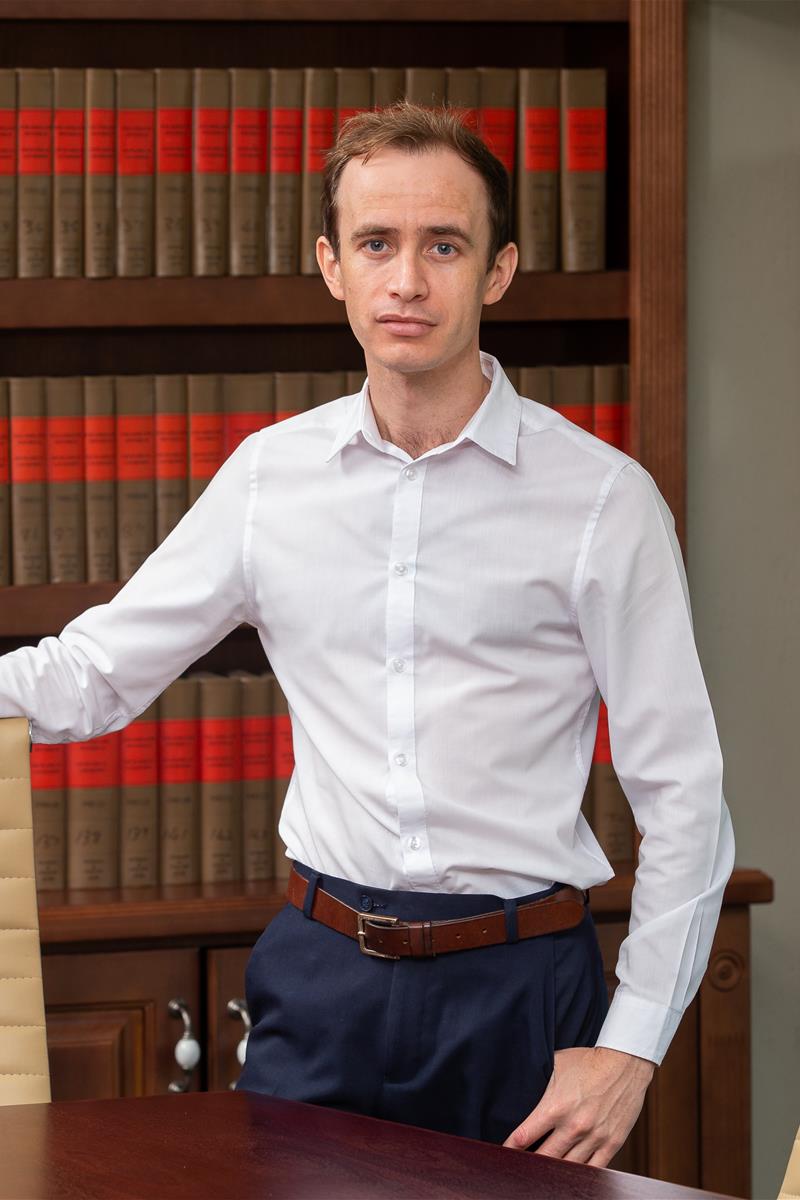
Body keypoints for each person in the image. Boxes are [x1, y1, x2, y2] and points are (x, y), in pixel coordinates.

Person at [0, 102, 735, 1165]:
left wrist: (630, 1046)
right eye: (377, 244)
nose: (407, 281)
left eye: (444, 245)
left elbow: (684, 794)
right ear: (331, 266)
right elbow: (92, 676)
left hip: (521, 993)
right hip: (320, 982)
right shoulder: (269, 480)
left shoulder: (601, 502)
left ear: (497, 271)